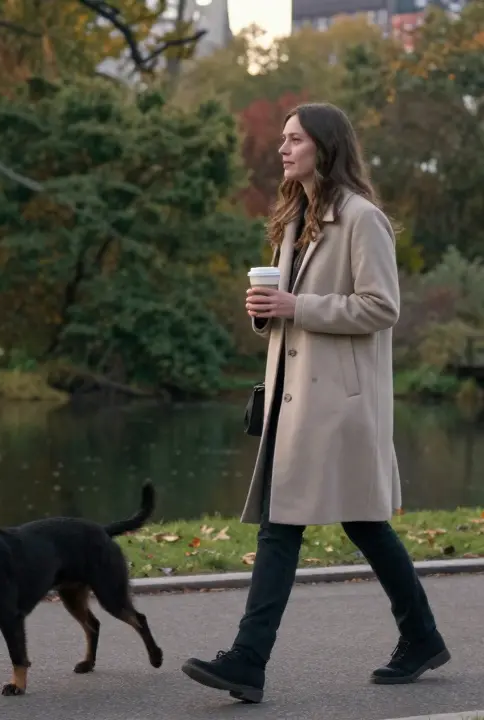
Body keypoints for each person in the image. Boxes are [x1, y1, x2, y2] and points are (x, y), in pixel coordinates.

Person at [180, 102, 449, 702]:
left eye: (294, 139)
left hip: (339, 405)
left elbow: (382, 307)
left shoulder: (361, 218)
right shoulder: (297, 215)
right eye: (282, 139)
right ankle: (422, 637)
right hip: (291, 399)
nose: (283, 148)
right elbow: (290, 310)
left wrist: (296, 308)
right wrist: (265, 315)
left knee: (292, 526)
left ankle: (249, 660)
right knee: (357, 525)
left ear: (324, 146)